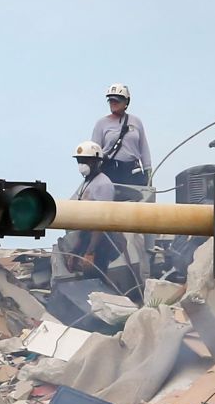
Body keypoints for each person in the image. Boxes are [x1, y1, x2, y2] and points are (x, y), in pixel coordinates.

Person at [62, 141, 126, 279]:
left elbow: (101, 221)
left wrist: (91, 252)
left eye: (86, 160)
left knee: (96, 279)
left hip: (101, 244)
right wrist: (75, 251)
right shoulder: (88, 183)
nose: (82, 164)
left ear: (97, 162)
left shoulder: (103, 184)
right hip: (89, 240)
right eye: (79, 160)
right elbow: (85, 225)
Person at [91, 83, 152, 192]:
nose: (113, 103)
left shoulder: (136, 122)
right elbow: (94, 152)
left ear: (126, 102)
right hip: (110, 171)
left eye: (117, 100)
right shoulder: (101, 124)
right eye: (111, 101)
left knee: (136, 203)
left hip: (133, 171)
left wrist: (148, 173)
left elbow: (144, 149)